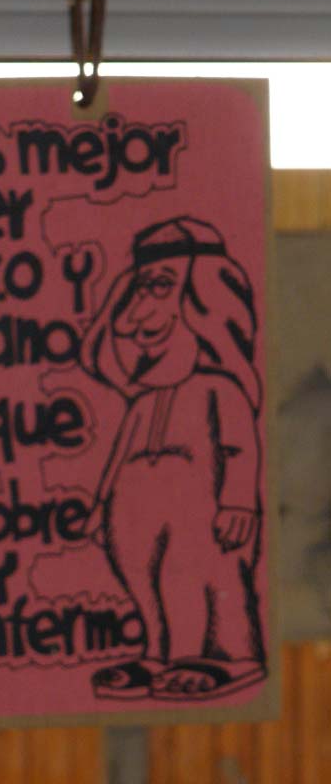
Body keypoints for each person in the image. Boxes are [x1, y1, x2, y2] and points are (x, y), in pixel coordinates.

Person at [80, 215, 266, 700]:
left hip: (201, 511)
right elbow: (121, 453)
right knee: (144, 578)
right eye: (138, 290)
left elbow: (239, 446)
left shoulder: (219, 388)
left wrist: (239, 500)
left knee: (199, 575)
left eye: (160, 287)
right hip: (136, 511)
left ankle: (226, 657)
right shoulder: (144, 399)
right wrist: (102, 505)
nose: (136, 318)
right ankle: (158, 653)